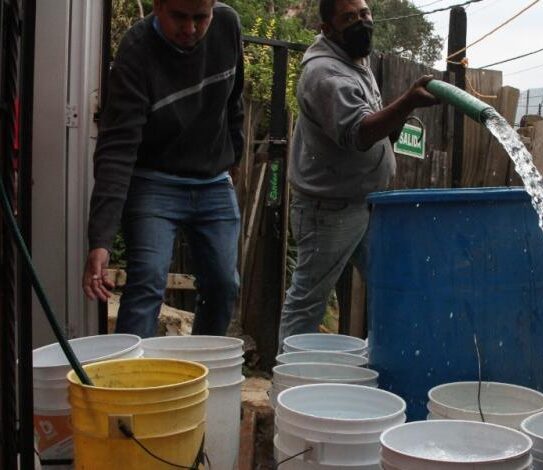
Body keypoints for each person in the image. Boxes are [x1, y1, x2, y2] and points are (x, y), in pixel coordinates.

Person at [278, 0, 439, 346]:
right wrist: (408, 102)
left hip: (364, 203)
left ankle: (390, 367)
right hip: (328, 211)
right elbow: (360, 132)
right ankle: (287, 384)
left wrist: (393, 127)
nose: (361, 22)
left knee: (393, 283)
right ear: (328, 29)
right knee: (308, 303)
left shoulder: (353, 59)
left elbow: (370, 121)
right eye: (348, 18)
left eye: (364, 13)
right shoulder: (325, 74)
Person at [82, 0, 244, 338]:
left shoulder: (228, 26)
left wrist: (234, 157)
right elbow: (116, 149)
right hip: (153, 182)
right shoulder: (136, 52)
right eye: (179, 17)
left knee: (224, 284)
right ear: (157, 7)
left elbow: (234, 101)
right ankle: (129, 382)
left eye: (200, 18)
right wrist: (101, 241)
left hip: (213, 181)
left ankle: (203, 371)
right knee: (147, 282)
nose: (190, 29)